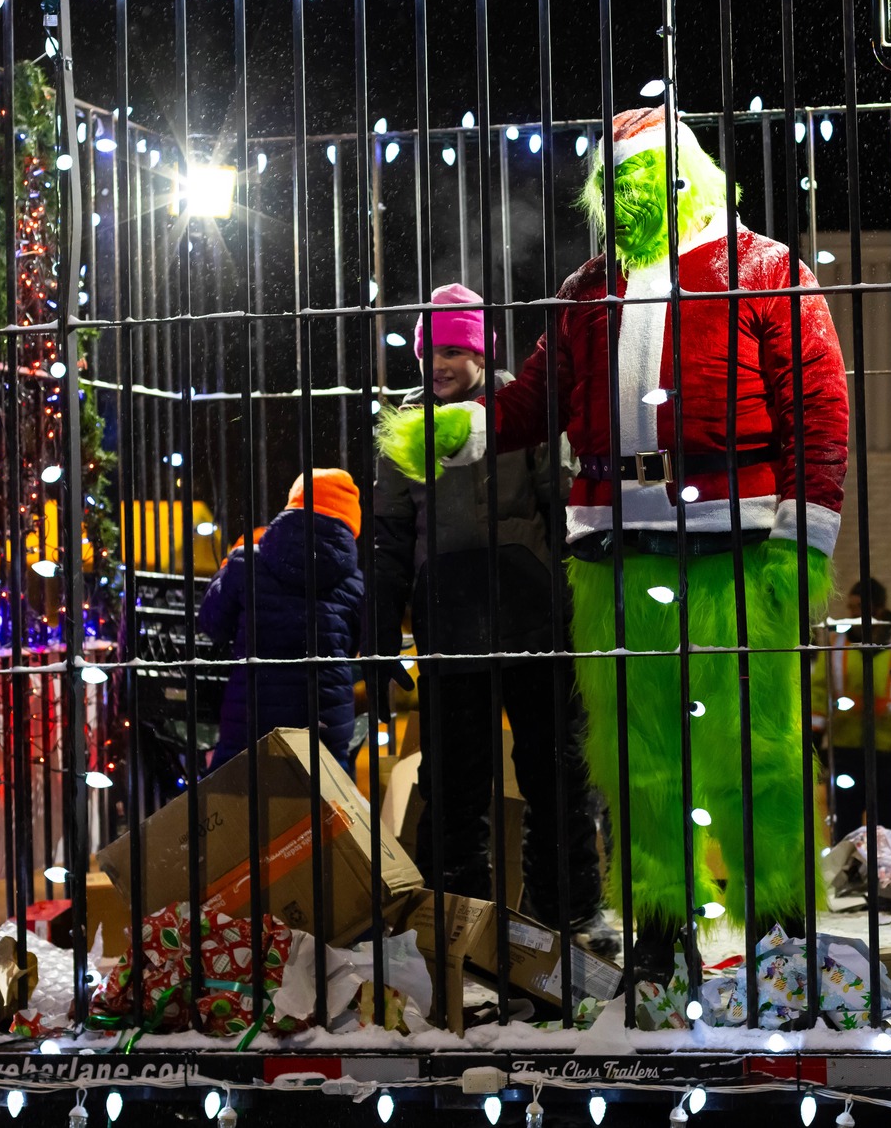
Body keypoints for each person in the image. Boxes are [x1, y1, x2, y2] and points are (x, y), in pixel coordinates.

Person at [378, 108, 849, 985]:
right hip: (613, 552)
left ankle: (781, 931)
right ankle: (661, 932)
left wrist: (800, 544)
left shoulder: (766, 270)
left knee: (757, 747)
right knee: (639, 759)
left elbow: (818, 411)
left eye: (652, 181)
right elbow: (539, 400)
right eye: (622, 183)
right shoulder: (588, 288)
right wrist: (459, 432)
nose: (635, 199)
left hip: (737, 546)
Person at [371, 283, 607, 948]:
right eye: (431, 352)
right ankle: (453, 929)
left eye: (453, 350)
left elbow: (563, 509)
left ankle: (565, 919)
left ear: (480, 352)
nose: (440, 364)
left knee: (556, 776)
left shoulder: (520, 413)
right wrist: (382, 633)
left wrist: (583, 610)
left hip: (534, 619)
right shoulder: (404, 425)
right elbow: (388, 538)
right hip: (449, 625)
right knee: (452, 786)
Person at [199, 469, 366, 770]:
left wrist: (224, 575)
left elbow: (213, 624)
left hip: (251, 719)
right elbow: (355, 647)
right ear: (350, 523)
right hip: (322, 723)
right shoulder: (354, 584)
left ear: (294, 504)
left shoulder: (244, 562)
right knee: (324, 807)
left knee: (236, 803)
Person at [825, 578, 891, 839]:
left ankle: (885, 875)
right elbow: (818, 692)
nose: (852, 613)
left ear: (878, 609)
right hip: (846, 747)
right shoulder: (837, 644)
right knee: (844, 823)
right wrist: (814, 736)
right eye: (850, 607)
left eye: (858, 607)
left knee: (887, 825)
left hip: (889, 750)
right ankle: (846, 872)